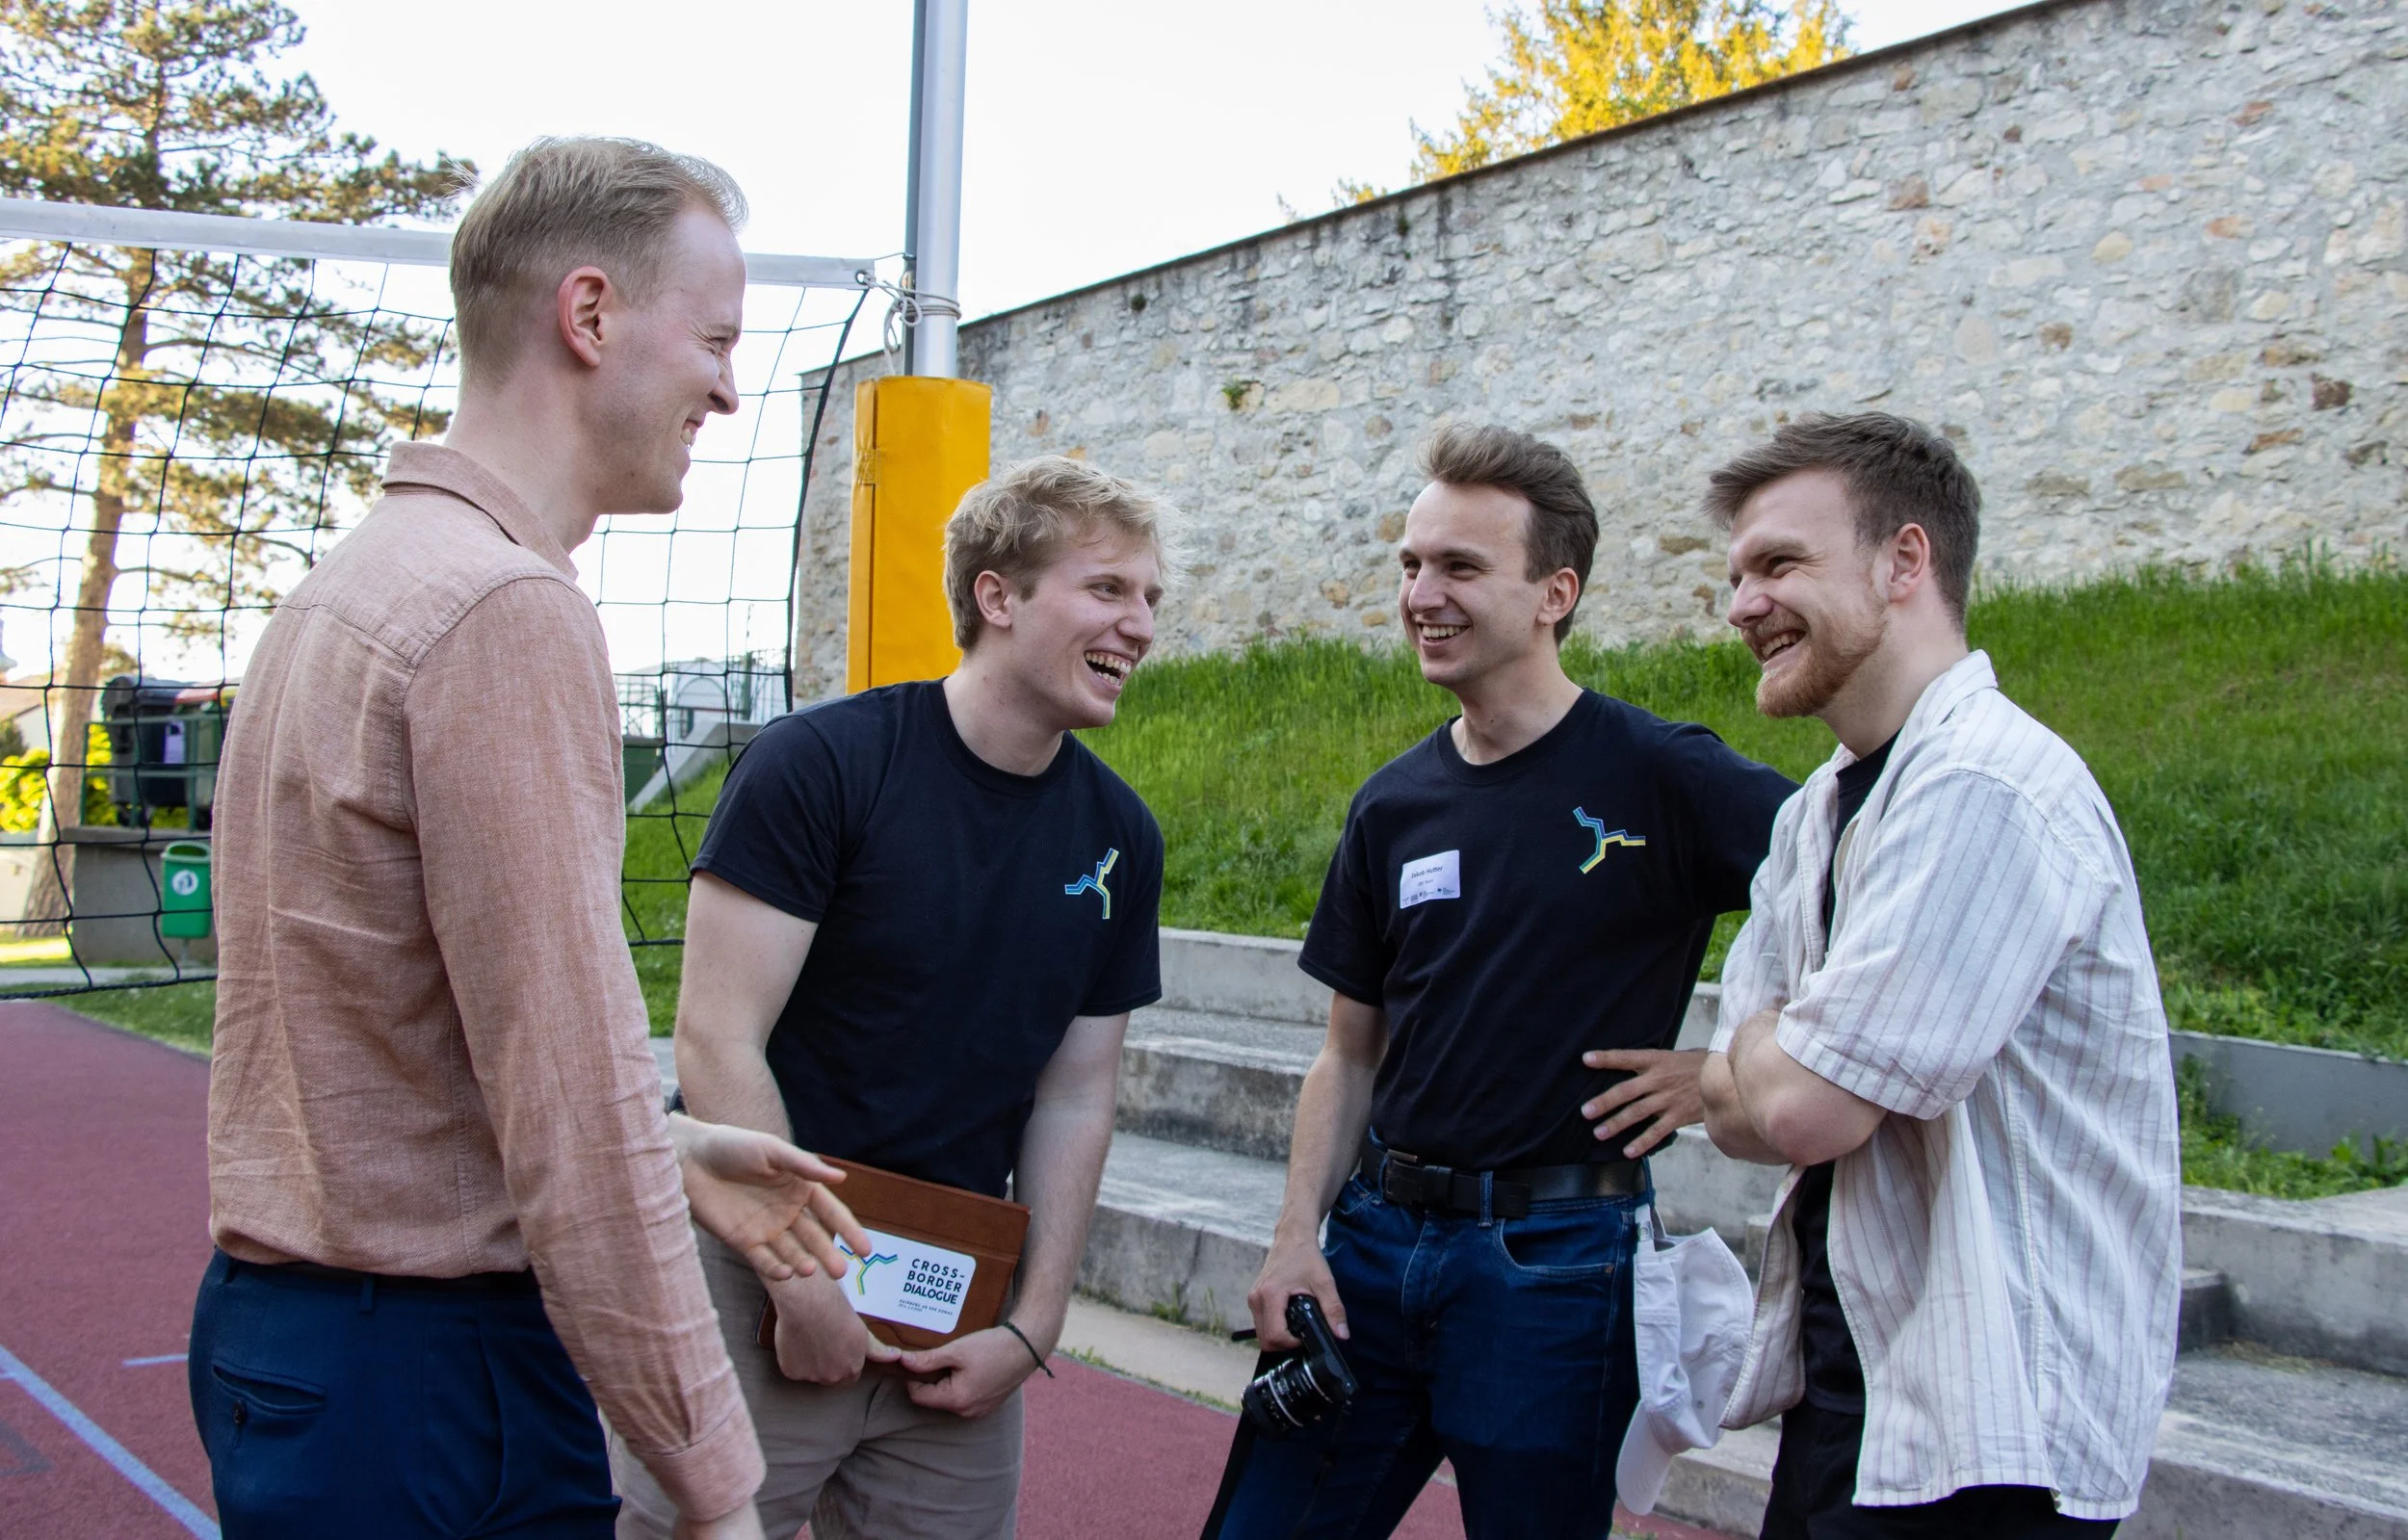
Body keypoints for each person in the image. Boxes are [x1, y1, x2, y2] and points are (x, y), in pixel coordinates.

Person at [193, 137, 870, 1540]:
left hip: (303, 1344)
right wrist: (717, 1483)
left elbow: (402, 1027)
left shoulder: (347, 583)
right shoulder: (503, 610)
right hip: (433, 1380)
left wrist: (673, 1145)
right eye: (717, 337)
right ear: (590, 313)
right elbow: (560, 1092)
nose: (732, 386)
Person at [1217, 425, 1794, 1538]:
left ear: (1553, 592)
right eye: (1410, 565)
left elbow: (1864, 891)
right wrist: (1296, 1236)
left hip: (1557, 1272)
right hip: (1372, 1251)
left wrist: (1724, 1070)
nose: (1421, 594)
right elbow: (1348, 1051)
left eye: (1460, 568)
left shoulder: (1662, 772)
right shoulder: (1394, 804)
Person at [610, 456, 1169, 1539]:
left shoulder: (1120, 835)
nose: (1139, 624)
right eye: (1107, 589)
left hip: (954, 1303)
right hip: (757, 1271)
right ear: (995, 596)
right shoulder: (818, 764)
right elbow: (717, 1037)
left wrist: (1035, 1322)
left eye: (1150, 597)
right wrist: (802, 1281)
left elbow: (1074, 1096)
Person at [1699, 412, 2180, 1537]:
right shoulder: (1816, 811)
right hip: (1857, 1387)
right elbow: (1728, 1107)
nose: (1740, 605)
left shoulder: (1986, 786)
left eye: (1777, 563)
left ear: (1903, 561)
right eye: (1733, 575)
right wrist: (1768, 1064)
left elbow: (1797, 1106)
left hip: (1992, 1420)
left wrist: (1769, 1057)